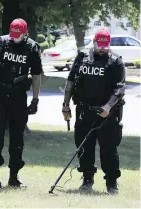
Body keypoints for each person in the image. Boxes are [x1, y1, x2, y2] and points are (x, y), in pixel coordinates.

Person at [0, 18, 42, 189]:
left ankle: (13, 177)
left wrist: (35, 99)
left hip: (19, 97)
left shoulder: (32, 48)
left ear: (25, 33)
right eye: (13, 35)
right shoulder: (1, 44)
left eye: (18, 35)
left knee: (17, 138)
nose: (15, 38)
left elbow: (36, 75)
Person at [62, 29, 125, 194]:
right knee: (84, 147)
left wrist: (108, 106)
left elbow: (119, 89)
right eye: (100, 45)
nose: (102, 48)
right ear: (94, 42)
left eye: (106, 45)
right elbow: (70, 82)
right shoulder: (82, 59)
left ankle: (112, 183)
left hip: (107, 114)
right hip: (84, 111)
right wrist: (66, 105)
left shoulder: (115, 62)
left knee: (109, 148)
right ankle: (87, 180)